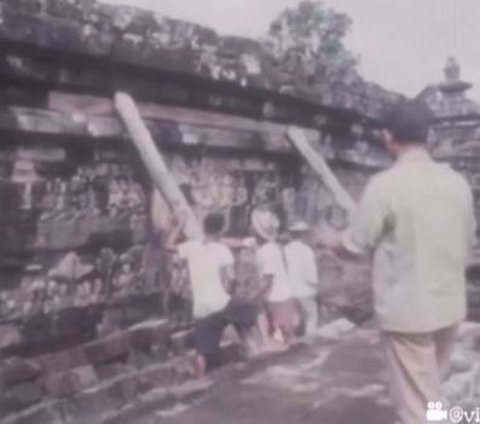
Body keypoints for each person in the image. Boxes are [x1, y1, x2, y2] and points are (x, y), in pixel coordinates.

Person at [319, 100, 477, 424]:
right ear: (428, 136)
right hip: (448, 308)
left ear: (388, 137)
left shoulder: (385, 186)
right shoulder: (458, 184)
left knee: (418, 411)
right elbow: (469, 241)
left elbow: (355, 245)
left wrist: (329, 240)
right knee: (431, 394)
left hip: (409, 315)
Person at [165, 212, 257, 378]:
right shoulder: (222, 249)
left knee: (202, 352)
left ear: (203, 228)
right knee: (247, 307)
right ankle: (252, 349)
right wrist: (230, 292)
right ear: (222, 229)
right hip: (221, 303)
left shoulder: (191, 247)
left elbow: (168, 245)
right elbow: (231, 279)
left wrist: (180, 224)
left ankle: (200, 379)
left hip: (201, 309)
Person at [251, 209, 298, 347]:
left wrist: (255, 297)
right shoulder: (269, 248)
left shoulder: (267, 252)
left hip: (278, 298)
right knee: (285, 335)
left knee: (284, 334)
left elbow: (268, 281)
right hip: (280, 295)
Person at [284, 221, 320, 337]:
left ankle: (293, 338)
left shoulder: (285, 250)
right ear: (303, 234)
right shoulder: (306, 251)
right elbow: (310, 273)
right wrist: (315, 284)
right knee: (311, 315)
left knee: (295, 316)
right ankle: (310, 338)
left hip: (289, 289)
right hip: (305, 289)